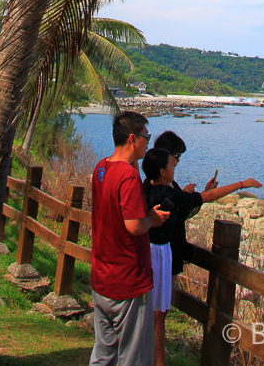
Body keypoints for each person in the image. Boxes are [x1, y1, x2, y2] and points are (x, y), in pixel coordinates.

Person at [146, 134, 262, 366]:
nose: (176, 164)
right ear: (163, 167)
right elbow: (204, 198)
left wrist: (191, 197)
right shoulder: (168, 191)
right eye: (174, 160)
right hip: (159, 254)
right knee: (158, 312)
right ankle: (158, 361)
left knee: (154, 310)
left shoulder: (148, 186)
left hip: (156, 251)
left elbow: (181, 206)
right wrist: (241, 184)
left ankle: (153, 358)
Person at [89, 110, 170, 366]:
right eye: (147, 137)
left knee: (104, 353)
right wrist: (152, 220)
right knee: (133, 357)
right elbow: (134, 226)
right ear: (133, 139)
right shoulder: (128, 176)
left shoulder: (101, 168)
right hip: (128, 281)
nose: (149, 142)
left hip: (102, 276)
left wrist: (134, 161)